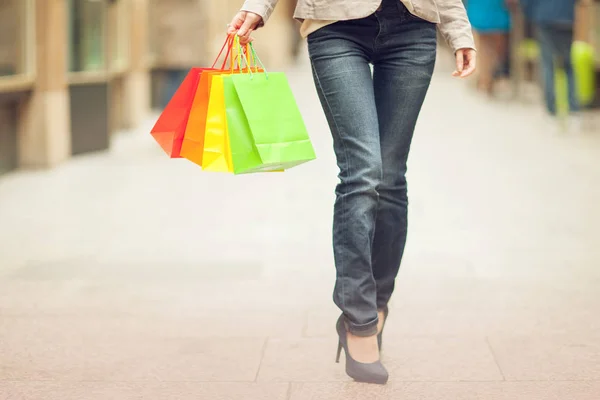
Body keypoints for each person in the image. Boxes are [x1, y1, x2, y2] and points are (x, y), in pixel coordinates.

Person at [229, 0, 476, 384]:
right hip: (336, 24)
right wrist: (258, 7)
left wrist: (458, 30)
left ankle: (377, 304)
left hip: (413, 25)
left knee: (391, 177)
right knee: (362, 172)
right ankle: (358, 322)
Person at [521, 0, 578, 120]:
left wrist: (529, 14)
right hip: (566, 17)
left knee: (548, 65)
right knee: (568, 66)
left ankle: (551, 110)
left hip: (545, 17)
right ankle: (574, 110)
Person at [465, 0, 512, 94]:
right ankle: (486, 79)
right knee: (488, 45)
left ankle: (485, 78)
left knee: (486, 46)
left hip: (489, 8)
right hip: (491, 8)